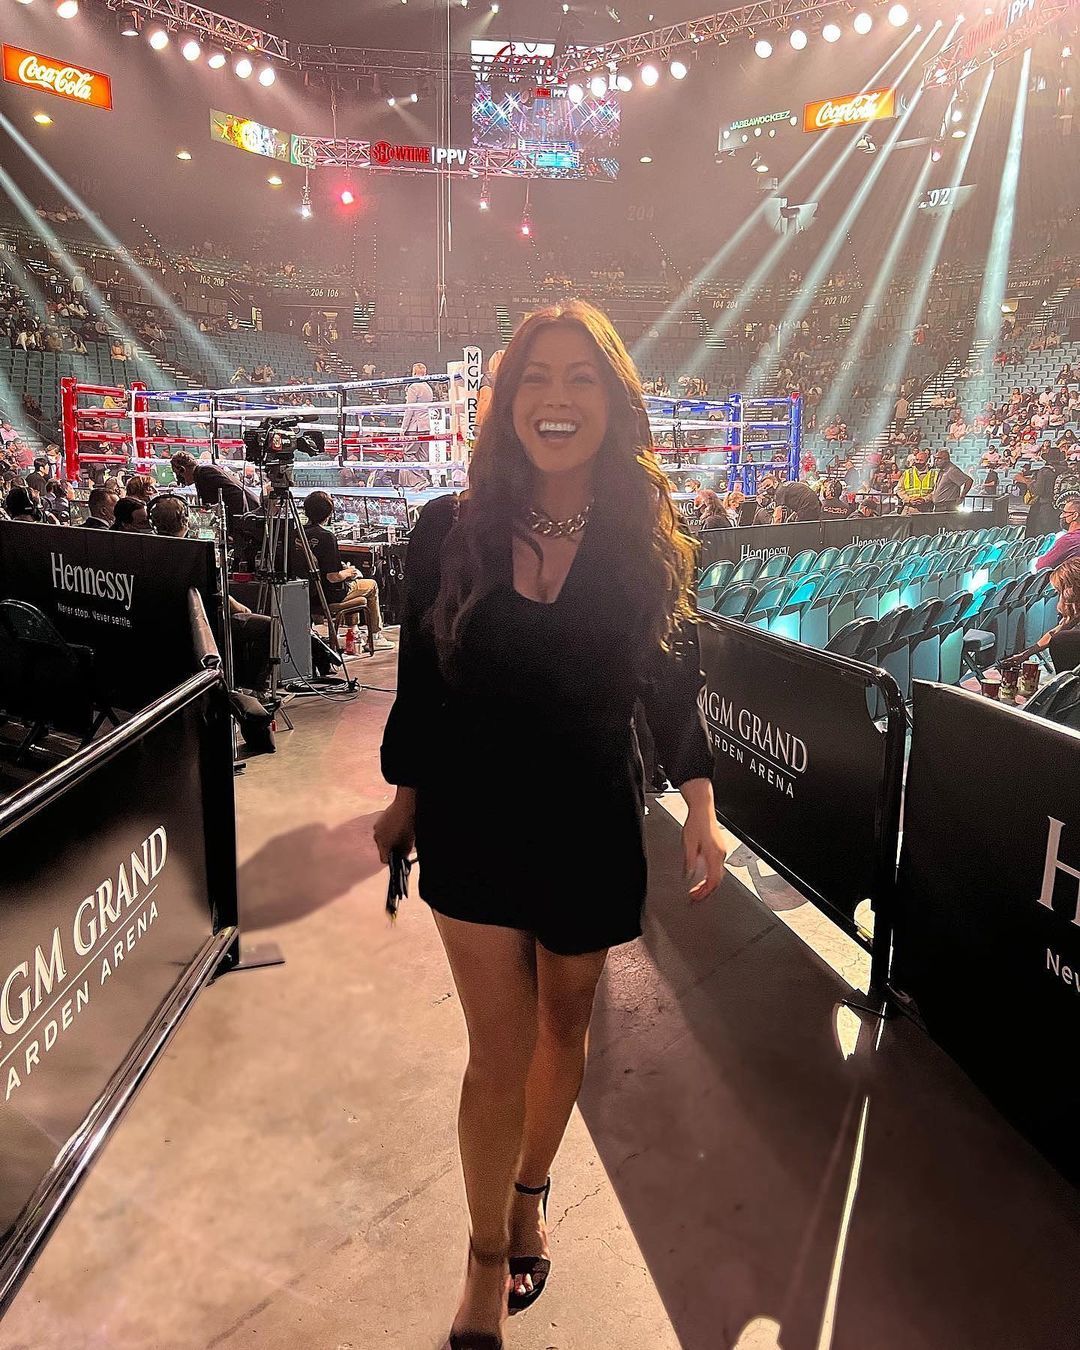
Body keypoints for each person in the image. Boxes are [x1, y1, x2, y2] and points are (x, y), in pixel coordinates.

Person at [373, 301, 725, 1350]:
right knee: (498, 1052)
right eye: (536, 377)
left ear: (613, 403)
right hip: (474, 813)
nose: (557, 398)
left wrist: (701, 801)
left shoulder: (645, 541)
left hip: (590, 816)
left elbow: (673, 681)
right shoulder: (449, 527)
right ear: (507, 400)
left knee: (564, 1024)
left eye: (581, 378)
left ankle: (531, 1190)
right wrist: (405, 796)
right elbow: (422, 676)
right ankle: (485, 1259)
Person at [302, 491, 394, 651]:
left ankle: (354, 630)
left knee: (352, 582)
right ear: (329, 513)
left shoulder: (298, 533)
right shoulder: (327, 537)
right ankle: (375, 636)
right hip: (329, 595)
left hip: (306, 593)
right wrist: (350, 572)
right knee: (371, 585)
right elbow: (332, 577)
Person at [170, 450, 259, 531]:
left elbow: (237, 493)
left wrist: (238, 526)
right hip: (249, 514)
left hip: (250, 515)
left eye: (177, 474)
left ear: (182, 469)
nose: (179, 480)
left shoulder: (204, 474)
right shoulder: (201, 474)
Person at [1035, 498, 1080, 570]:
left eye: (1064, 512)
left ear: (1075, 515)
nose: (1061, 516)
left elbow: (1042, 566)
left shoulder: (1069, 540)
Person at [897, 448, 937, 513]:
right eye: (917, 460)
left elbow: (936, 491)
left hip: (926, 509)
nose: (918, 462)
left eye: (921, 460)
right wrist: (909, 500)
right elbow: (899, 489)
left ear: (926, 461)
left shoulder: (934, 474)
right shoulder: (907, 473)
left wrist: (925, 499)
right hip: (909, 508)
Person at [475, 349, 505, 434]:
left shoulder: (489, 379)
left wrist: (478, 425)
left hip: (493, 425)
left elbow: (485, 400)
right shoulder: (516, 380)